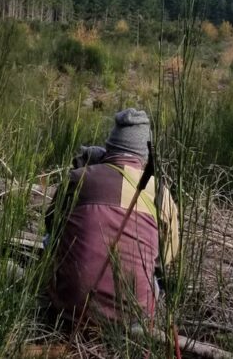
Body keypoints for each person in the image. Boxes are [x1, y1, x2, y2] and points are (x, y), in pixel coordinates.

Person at [44, 108, 179, 326]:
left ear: (109, 147)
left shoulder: (78, 178)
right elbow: (167, 256)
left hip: (69, 309)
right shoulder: (160, 193)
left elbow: (52, 225)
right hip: (133, 318)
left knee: (48, 241)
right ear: (145, 154)